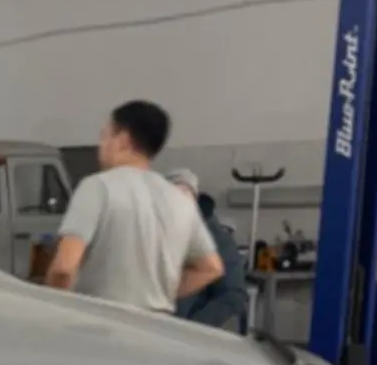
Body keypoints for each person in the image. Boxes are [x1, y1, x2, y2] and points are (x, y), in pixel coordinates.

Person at [43, 100, 222, 312]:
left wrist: (53, 311)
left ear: (122, 141)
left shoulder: (97, 187)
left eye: (105, 136)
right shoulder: (181, 200)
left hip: (98, 322)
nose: (101, 146)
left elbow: (63, 269)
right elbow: (211, 268)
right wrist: (159, 296)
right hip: (154, 325)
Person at [166, 168, 249, 332]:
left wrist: (193, 329)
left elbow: (233, 296)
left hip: (190, 332)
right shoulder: (158, 232)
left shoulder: (217, 240)